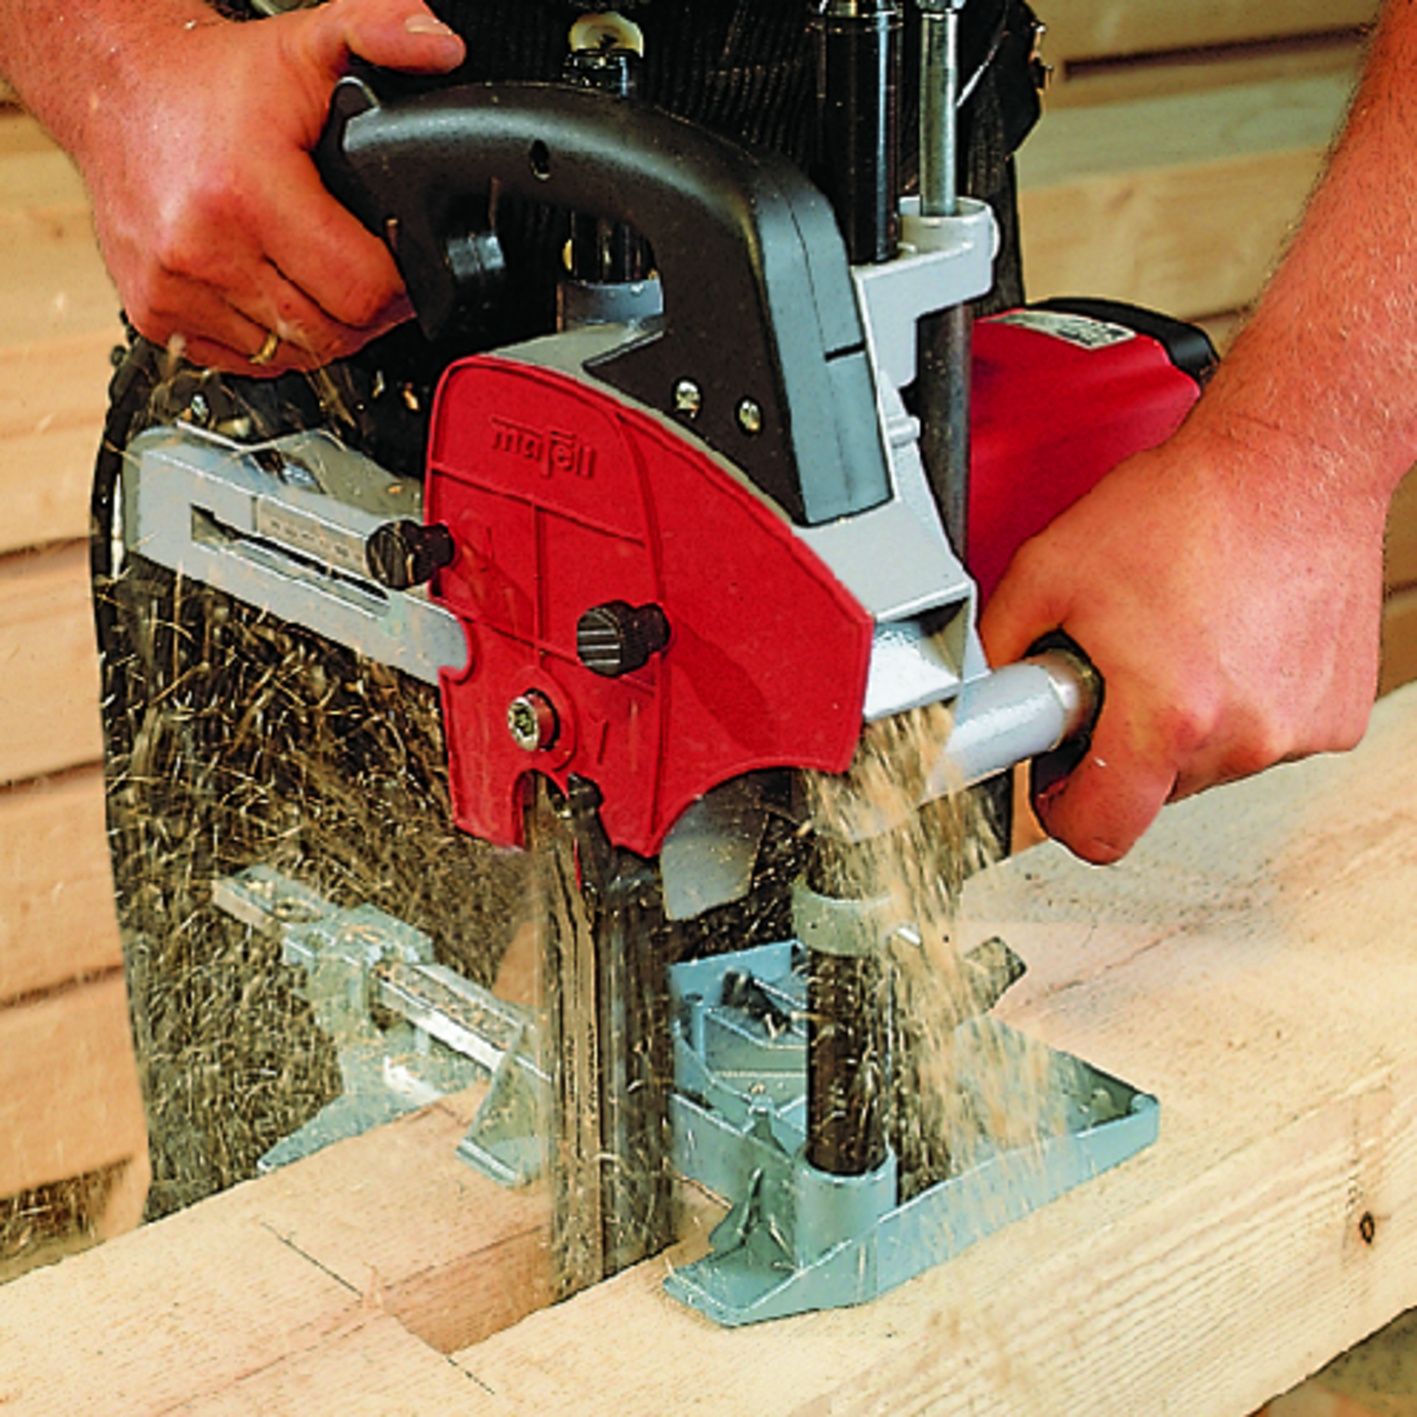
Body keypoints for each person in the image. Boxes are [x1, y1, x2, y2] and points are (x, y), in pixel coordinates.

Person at [2, 0, 1410, 866]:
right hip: (305, 282)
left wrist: (1301, 462)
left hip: (873, 315)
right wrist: (112, 55)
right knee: (290, 1192)